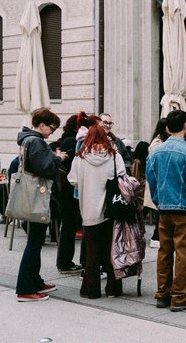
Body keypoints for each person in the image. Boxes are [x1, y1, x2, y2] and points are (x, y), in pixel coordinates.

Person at [146, 110, 186, 311]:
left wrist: (159, 201)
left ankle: (162, 293)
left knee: (165, 251)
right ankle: (180, 296)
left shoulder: (156, 152)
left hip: (164, 208)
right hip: (185, 209)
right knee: (184, 253)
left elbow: (152, 181)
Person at [68, 123, 126, 299]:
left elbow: (73, 180)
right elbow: (122, 176)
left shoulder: (80, 157)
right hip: (111, 210)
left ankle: (91, 290)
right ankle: (113, 289)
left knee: (91, 251)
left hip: (89, 210)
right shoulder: (114, 156)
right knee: (111, 250)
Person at [15, 107, 66, 302]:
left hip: (32, 195)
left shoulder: (26, 139)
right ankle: (25, 288)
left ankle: (35, 281)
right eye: (52, 128)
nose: (53, 132)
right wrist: (58, 158)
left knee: (35, 241)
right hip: (38, 195)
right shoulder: (36, 141)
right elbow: (45, 168)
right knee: (34, 243)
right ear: (42, 125)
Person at [55, 113, 86, 274]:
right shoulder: (72, 141)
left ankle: (64, 262)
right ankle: (65, 263)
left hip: (64, 189)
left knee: (68, 225)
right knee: (69, 225)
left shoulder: (67, 139)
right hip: (67, 190)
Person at [146, 118, 168, 248]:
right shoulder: (157, 143)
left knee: (161, 213)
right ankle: (156, 237)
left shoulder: (162, 141)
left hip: (160, 182)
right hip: (157, 182)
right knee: (159, 212)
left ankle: (158, 237)